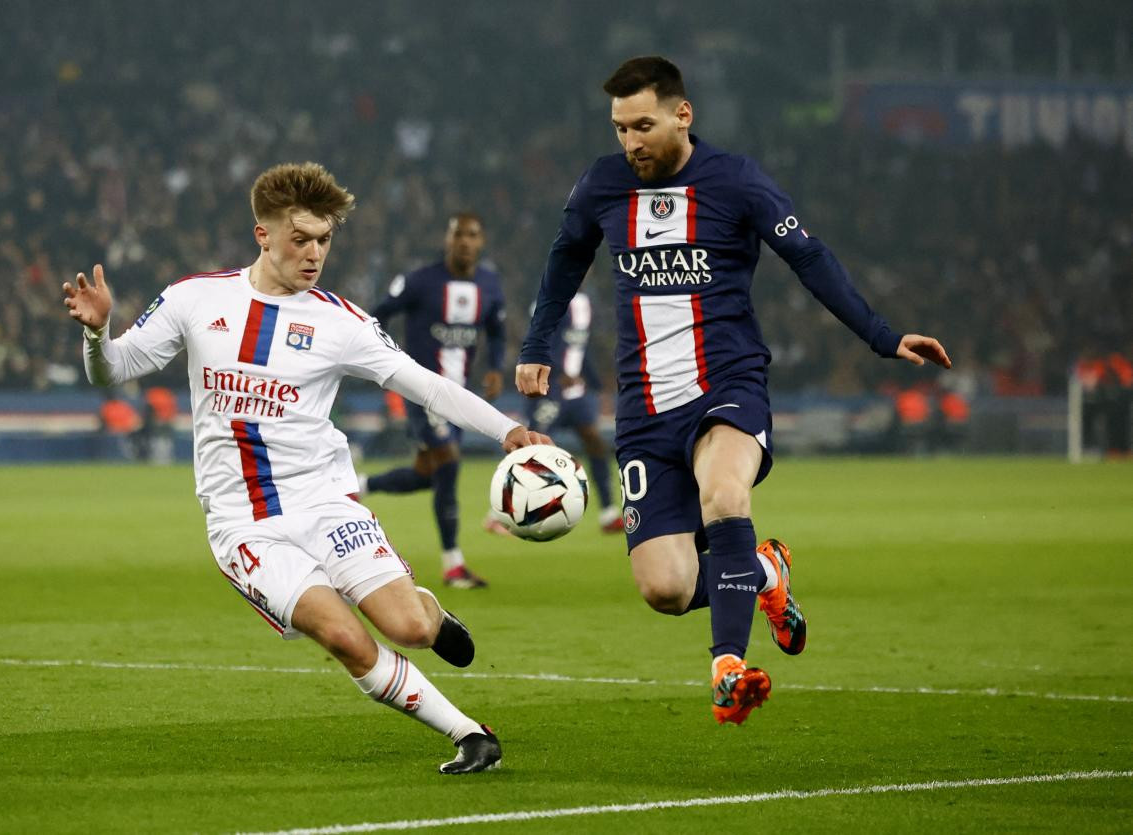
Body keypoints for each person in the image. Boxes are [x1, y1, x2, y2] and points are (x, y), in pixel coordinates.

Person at [63, 162, 551, 773]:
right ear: (262, 234)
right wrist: (98, 331)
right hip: (243, 523)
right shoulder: (195, 299)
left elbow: (425, 384)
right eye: (301, 238)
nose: (315, 252)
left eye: (324, 239)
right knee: (343, 637)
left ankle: (429, 610)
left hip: (323, 502)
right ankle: (468, 735)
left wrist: (507, 428)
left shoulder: (341, 322)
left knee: (407, 628)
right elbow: (112, 370)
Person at [516, 57, 951, 725]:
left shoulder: (734, 179)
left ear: (682, 114)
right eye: (619, 128)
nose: (630, 141)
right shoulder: (603, 185)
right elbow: (565, 254)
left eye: (643, 124)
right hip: (643, 407)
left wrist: (882, 336)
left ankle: (727, 665)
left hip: (727, 384)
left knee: (724, 493)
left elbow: (809, 256)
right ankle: (764, 571)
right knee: (665, 587)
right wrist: (536, 343)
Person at [362, 213, 506, 589]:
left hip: (460, 396)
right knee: (449, 462)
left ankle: (359, 485)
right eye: (457, 234)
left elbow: (497, 328)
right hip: (422, 391)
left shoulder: (489, 284)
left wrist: (494, 367)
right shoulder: (420, 280)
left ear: (481, 241)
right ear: (447, 239)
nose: (464, 241)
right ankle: (454, 565)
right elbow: (377, 315)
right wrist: (385, 360)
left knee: (428, 474)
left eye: (472, 235)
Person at [486, 290, 623, 536]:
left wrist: (595, 384)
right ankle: (497, 514)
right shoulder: (546, 299)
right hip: (547, 389)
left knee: (594, 442)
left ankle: (608, 513)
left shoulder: (586, 303)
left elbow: (581, 346)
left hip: (576, 391)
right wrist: (558, 371)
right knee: (529, 448)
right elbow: (540, 339)